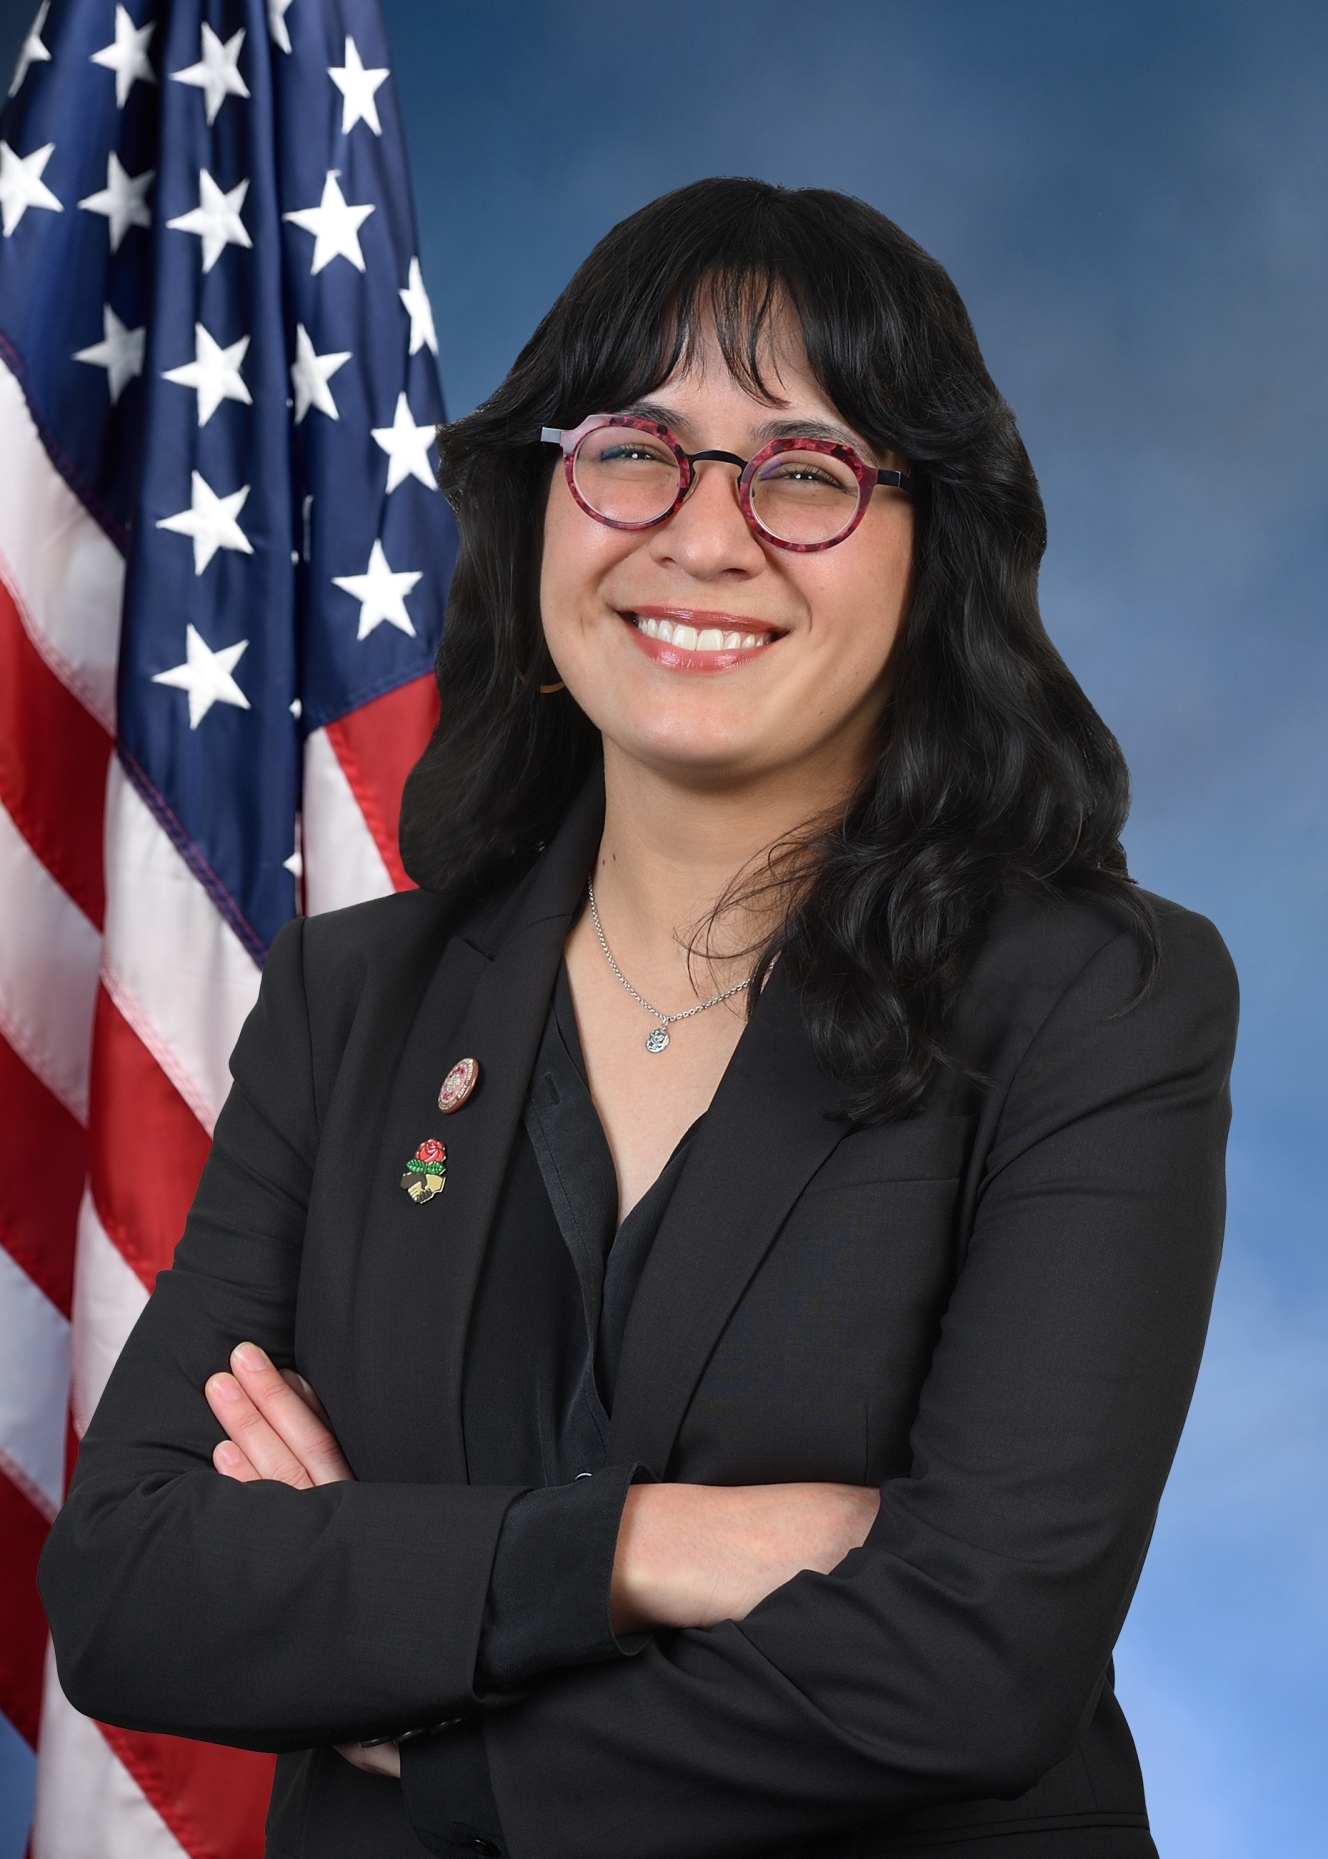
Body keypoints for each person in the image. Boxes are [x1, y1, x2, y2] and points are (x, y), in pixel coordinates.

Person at [39, 178, 1238, 1859]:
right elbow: (132, 1585)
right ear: (543, 502)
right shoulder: (353, 999)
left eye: (805, 472)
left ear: (933, 553)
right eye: (633, 451)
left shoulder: (1095, 1000)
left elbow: (975, 1662)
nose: (703, 535)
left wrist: (417, 1701)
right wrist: (644, 1548)